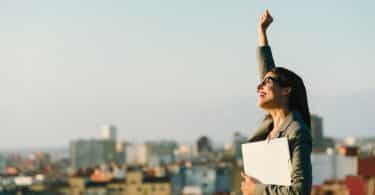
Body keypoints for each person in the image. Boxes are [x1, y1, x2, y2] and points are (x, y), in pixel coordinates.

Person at [240, 10, 312, 195]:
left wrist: (254, 189)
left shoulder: (297, 131)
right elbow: (268, 71)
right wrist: (262, 33)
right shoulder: (270, 124)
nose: (259, 87)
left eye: (267, 83)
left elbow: (299, 191)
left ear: (287, 90)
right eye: (261, 83)